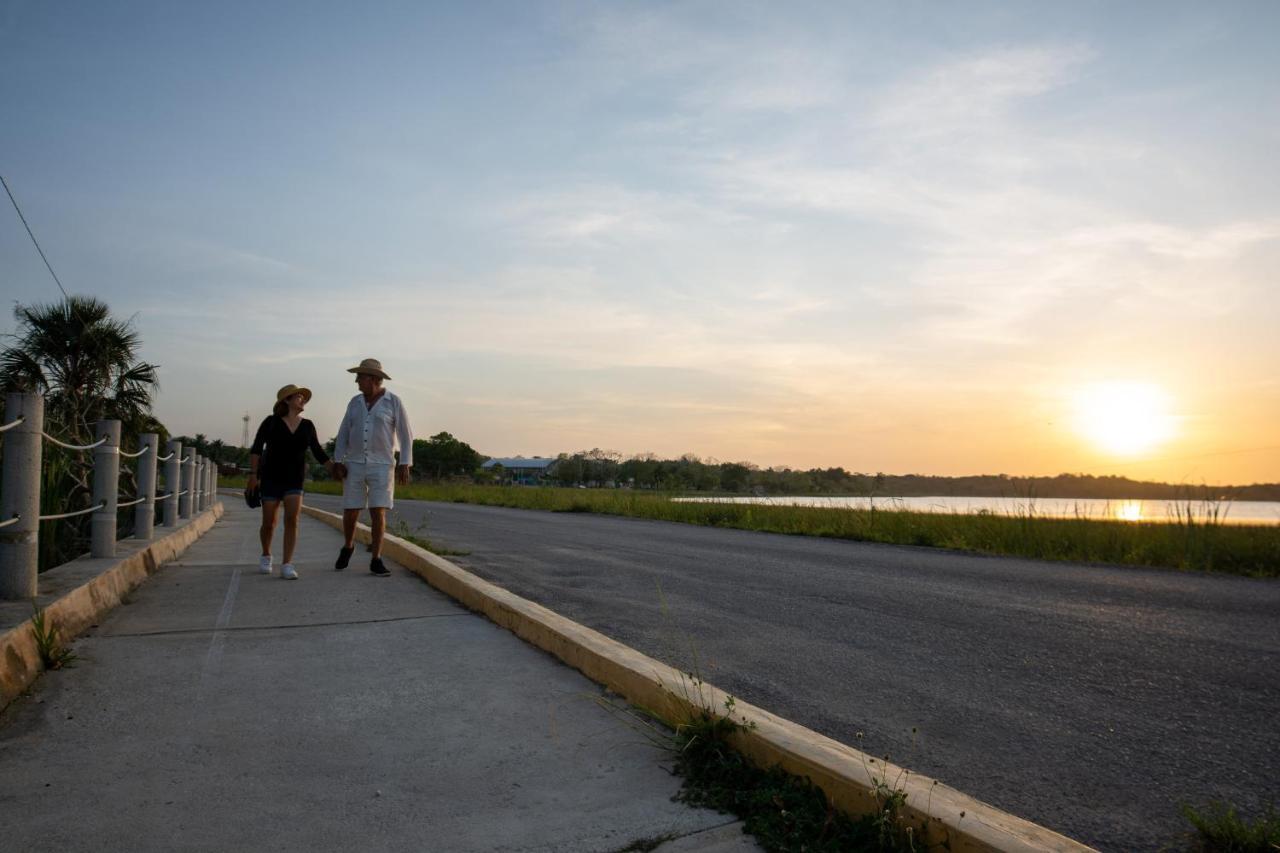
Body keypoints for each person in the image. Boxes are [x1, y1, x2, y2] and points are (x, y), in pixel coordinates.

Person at [331, 358, 413, 576]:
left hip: (382, 464)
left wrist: (405, 462)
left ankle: (376, 558)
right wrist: (338, 460)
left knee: (378, 511)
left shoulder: (392, 401)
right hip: (355, 463)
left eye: (361, 377)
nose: (357, 381)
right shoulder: (355, 402)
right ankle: (348, 546)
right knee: (351, 510)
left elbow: (405, 434)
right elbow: (344, 432)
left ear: (374, 380)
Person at [246, 384, 336, 580]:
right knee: (269, 523)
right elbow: (256, 448)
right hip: (270, 477)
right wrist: (253, 475)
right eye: (298, 397)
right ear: (286, 400)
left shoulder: (307, 425)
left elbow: (318, 451)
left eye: (303, 397)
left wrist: (334, 469)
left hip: (295, 479)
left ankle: (287, 564)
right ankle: (266, 554)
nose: (302, 399)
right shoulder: (271, 422)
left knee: (292, 519)